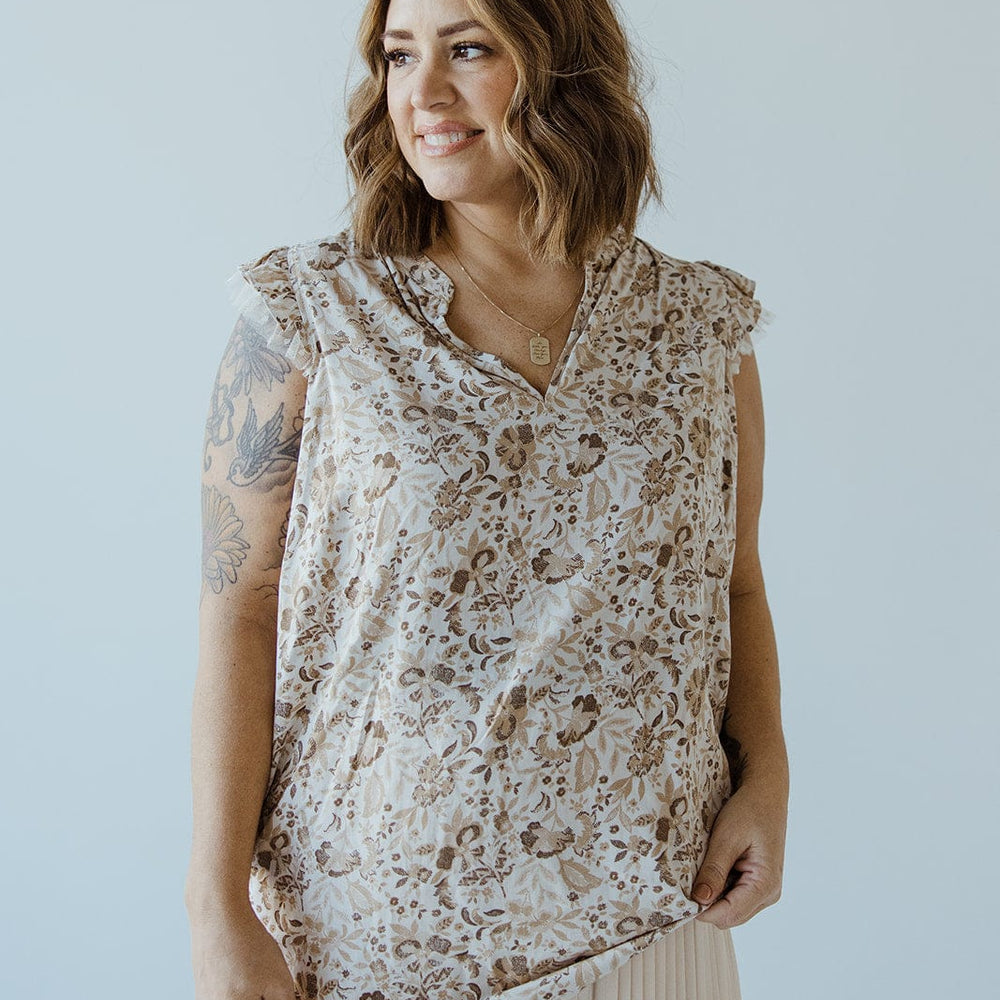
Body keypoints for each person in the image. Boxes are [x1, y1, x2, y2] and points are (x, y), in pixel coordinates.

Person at [185, 0, 789, 997]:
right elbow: (236, 611)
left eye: (467, 50)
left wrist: (765, 777)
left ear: (562, 66)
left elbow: (734, 586)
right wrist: (215, 907)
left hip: (650, 918)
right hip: (373, 932)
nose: (420, 94)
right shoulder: (310, 315)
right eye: (397, 55)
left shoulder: (701, 327)